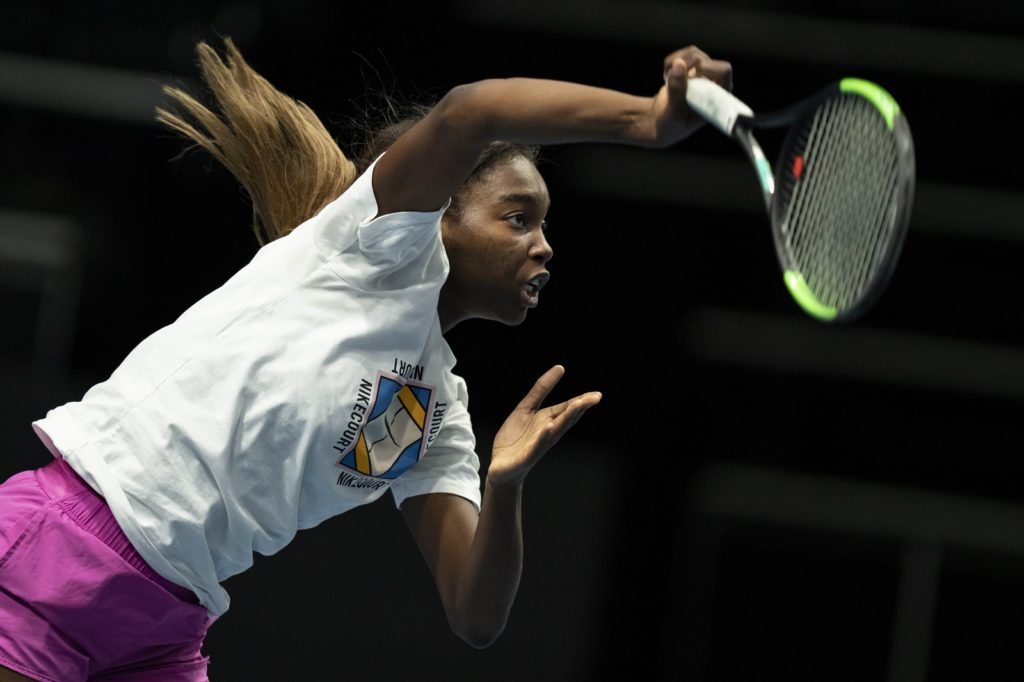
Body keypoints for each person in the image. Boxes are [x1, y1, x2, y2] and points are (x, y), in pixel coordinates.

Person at [0, 38, 733, 681]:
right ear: (439, 214)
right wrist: (646, 119)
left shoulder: (430, 406)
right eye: (518, 218)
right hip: (72, 542)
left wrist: (503, 486)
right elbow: (472, 110)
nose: (544, 246)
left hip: (169, 617)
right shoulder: (372, 252)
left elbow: (476, 616)